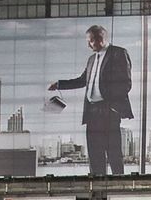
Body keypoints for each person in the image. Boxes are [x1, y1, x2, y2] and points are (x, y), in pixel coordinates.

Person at [47, 23, 133, 176]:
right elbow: (82, 80)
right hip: (92, 112)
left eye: (91, 40)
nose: (88, 44)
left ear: (101, 38)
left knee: (113, 153)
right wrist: (59, 84)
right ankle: (97, 185)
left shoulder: (118, 53)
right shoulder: (91, 59)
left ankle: (118, 185)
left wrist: (111, 106)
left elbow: (125, 83)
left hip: (108, 110)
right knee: (94, 153)